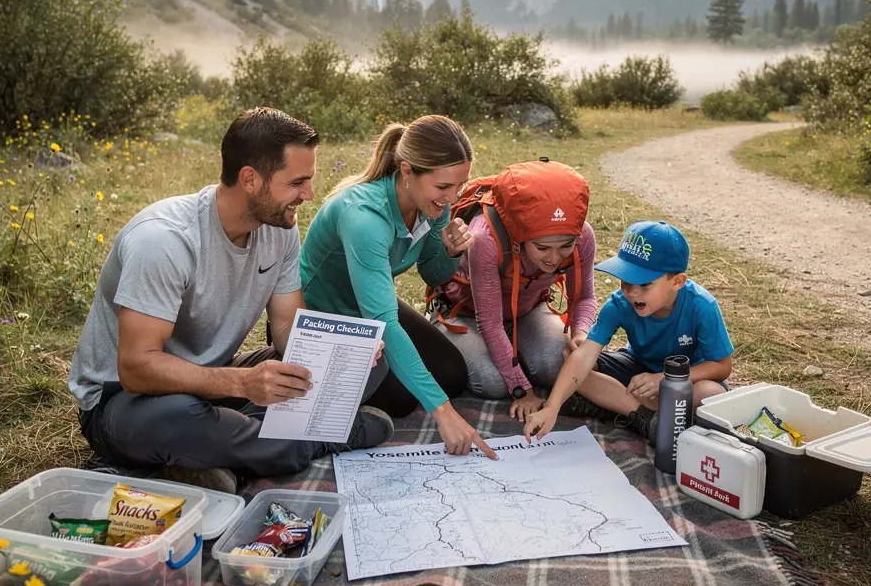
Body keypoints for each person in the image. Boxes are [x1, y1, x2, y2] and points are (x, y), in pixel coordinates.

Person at [68, 108, 393, 495]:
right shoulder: (163, 240)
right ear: (250, 179)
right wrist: (242, 384)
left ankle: (220, 455)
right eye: (297, 182)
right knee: (176, 417)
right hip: (125, 401)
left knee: (370, 363)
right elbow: (137, 369)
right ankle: (319, 438)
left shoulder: (280, 230)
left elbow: (287, 327)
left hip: (215, 379)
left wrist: (340, 349)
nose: (308, 194)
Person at [300, 115, 496, 458]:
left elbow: (432, 274)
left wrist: (450, 252)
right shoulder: (364, 218)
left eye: (459, 186)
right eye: (443, 187)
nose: (451, 197)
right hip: (324, 315)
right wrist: (443, 412)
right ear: (407, 171)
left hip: (371, 307)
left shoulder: (432, 205)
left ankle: (353, 390)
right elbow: (384, 321)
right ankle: (332, 407)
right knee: (404, 398)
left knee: (451, 374)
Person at [524, 220, 734, 442]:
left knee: (711, 393)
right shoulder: (619, 304)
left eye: (644, 284)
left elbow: (722, 366)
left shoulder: (702, 306)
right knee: (572, 361)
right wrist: (553, 406)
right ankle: (644, 417)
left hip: (686, 380)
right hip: (637, 371)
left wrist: (664, 380)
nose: (632, 292)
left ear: (677, 281)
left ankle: (619, 406)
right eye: (626, 280)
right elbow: (585, 354)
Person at [430, 160, 597, 422]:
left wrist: (581, 334)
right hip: (466, 315)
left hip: (527, 311)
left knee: (559, 363)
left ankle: (516, 351)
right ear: (519, 236)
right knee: (492, 382)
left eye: (565, 246)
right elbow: (489, 323)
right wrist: (522, 390)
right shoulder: (485, 240)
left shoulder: (583, 236)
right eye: (542, 248)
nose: (554, 259)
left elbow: (584, 297)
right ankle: (457, 340)